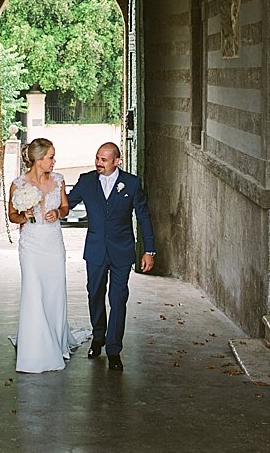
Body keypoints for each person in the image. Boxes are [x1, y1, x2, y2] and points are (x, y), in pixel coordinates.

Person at [65, 142, 155, 371]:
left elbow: (143, 217)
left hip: (122, 251)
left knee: (118, 298)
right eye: (97, 158)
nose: (98, 163)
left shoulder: (132, 183)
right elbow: (66, 205)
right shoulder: (86, 181)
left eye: (104, 160)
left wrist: (149, 250)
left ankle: (114, 349)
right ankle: (98, 337)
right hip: (95, 250)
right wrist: (44, 202)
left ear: (117, 161)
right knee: (95, 294)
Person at [8, 138, 88, 372]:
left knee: (54, 292)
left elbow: (65, 207)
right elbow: (12, 215)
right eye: (51, 157)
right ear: (38, 159)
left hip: (53, 244)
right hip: (31, 244)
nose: (54, 161)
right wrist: (25, 216)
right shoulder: (18, 184)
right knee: (33, 292)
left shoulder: (59, 180)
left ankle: (55, 339)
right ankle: (34, 348)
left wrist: (57, 213)